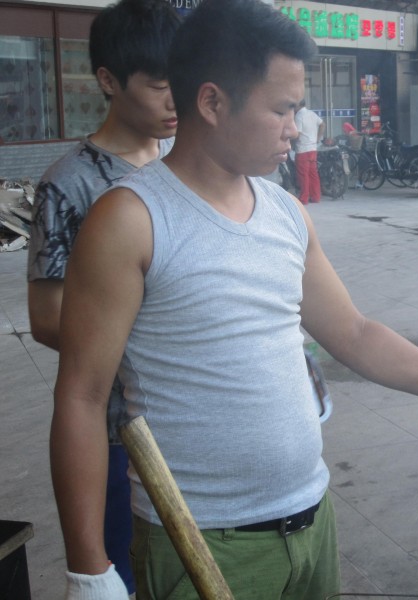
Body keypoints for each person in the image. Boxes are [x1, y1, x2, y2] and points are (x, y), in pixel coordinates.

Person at [49, 1, 418, 598]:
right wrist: (89, 566)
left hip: (312, 522)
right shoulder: (131, 219)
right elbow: (81, 396)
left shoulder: (284, 211)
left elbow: (355, 333)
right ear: (211, 103)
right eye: (282, 108)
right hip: (203, 543)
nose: (297, 125)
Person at [26, 0, 181, 595]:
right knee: (133, 568)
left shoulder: (185, 162)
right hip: (121, 431)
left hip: (196, 423)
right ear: (109, 81)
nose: (177, 103)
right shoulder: (70, 184)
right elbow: (46, 320)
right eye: (162, 86)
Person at [293, 98, 325, 204]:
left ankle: (304, 198)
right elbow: (322, 124)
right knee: (313, 174)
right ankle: (316, 197)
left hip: (303, 150)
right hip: (313, 149)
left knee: (303, 175)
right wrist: (318, 137)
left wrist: (290, 140)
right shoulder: (312, 114)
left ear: (298, 105)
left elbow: (297, 134)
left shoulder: (299, 116)